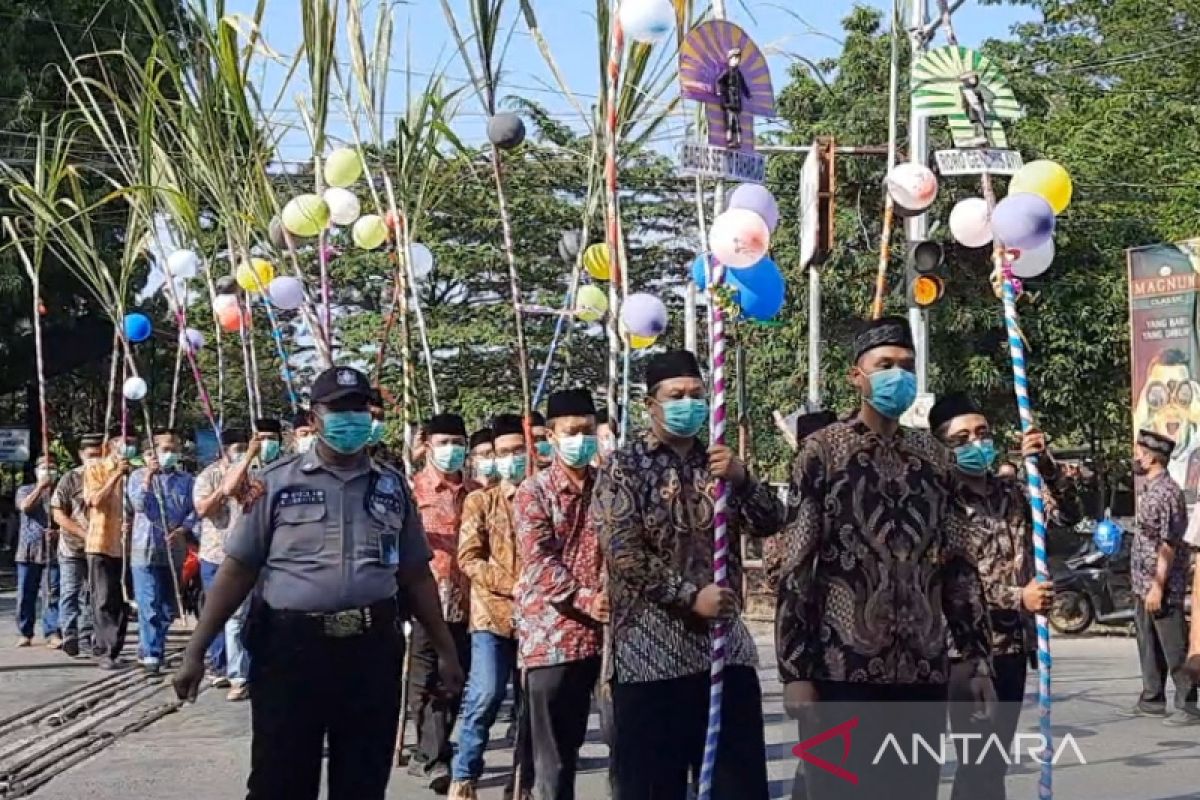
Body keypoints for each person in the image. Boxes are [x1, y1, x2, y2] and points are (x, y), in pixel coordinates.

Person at [172, 365, 464, 800]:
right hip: (291, 649)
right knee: (280, 782)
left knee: (362, 783)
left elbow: (415, 575)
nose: (351, 419)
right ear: (314, 417)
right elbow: (237, 571)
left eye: (358, 408)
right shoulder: (274, 484)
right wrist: (196, 649)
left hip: (371, 651)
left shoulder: (391, 487)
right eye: (338, 409)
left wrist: (446, 652)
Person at [775, 317, 993, 800]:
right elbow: (797, 568)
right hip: (840, 674)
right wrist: (796, 673)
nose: (899, 375)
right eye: (886, 365)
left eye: (907, 366)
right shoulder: (822, 454)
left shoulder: (935, 461)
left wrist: (976, 660)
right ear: (857, 376)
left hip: (922, 672)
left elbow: (959, 567)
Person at [592, 351, 784, 800]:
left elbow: (771, 520)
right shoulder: (624, 467)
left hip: (723, 651)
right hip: (650, 656)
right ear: (651, 404)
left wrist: (742, 478)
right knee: (653, 787)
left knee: (737, 785)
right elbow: (623, 554)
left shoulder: (718, 463)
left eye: (697, 395)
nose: (688, 403)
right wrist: (689, 596)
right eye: (676, 395)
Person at [929, 394, 1081, 799]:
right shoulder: (937, 504)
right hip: (966, 651)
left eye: (982, 433)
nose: (976, 443)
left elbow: (1068, 513)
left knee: (991, 764)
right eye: (962, 438)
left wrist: (1043, 462)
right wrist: (1019, 597)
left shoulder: (1013, 492)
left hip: (1013, 647)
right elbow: (950, 583)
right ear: (944, 448)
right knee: (979, 761)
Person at [514, 389, 608, 800]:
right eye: (571, 432)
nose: (580, 440)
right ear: (550, 437)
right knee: (554, 759)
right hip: (553, 639)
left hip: (611, 637)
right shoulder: (533, 492)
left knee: (627, 748)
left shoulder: (610, 487)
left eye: (587, 431)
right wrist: (587, 599)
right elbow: (538, 562)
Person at [450, 414, 529, 799]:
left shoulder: (543, 497)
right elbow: (468, 558)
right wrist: (513, 585)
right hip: (491, 615)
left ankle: (526, 780)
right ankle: (464, 774)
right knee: (485, 694)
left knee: (535, 704)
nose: (511, 459)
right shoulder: (481, 501)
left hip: (540, 618)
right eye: (503, 453)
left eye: (519, 451)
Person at [408, 413, 476, 793]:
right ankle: (430, 754)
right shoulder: (412, 491)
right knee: (423, 682)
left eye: (457, 443)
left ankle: (435, 751)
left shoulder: (479, 492)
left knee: (454, 681)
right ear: (428, 446)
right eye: (444, 442)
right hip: (424, 601)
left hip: (466, 604)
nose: (452, 451)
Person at [1124, 429, 1198, 723]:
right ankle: (1152, 698)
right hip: (1143, 583)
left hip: (1162, 585)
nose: (1136, 457)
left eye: (1140, 451)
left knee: (1173, 645)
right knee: (1148, 643)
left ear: (1152, 456)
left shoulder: (1167, 492)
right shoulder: (1151, 489)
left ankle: (1188, 703)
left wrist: (1158, 586)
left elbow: (1169, 543)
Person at [194, 427, 258, 698]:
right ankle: (224, 667)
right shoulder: (209, 476)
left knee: (239, 617)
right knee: (220, 614)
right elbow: (202, 509)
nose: (243, 451)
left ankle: (240, 674)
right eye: (237, 447)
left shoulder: (256, 475)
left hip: (248, 555)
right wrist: (224, 487)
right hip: (215, 554)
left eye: (246, 446)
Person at [127, 429, 196, 674]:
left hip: (173, 549)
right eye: (165, 449)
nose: (171, 454)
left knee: (168, 605)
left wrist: (182, 529)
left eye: (174, 449)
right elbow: (138, 504)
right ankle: (151, 653)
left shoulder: (186, 480)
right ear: (152, 452)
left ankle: (155, 643)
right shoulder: (137, 477)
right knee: (149, 603)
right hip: (144, 548)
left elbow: (194, 510)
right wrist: (148, 475)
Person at [84, 433, 137, 670]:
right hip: (101, 542)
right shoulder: (97, 469)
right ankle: (103, 649)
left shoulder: (135, 472)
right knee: (103, 599)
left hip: (126, 545)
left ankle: (115, 648)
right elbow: (94, 500)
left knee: (122, 600)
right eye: (125, 442)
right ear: (112, 445)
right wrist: (115, 475)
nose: (129, 448)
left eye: (133, 443)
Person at [52, 434, 102, 657]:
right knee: (70, 591)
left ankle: (86, 635)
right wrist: (82, 532)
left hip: (99, 546)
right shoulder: (70, 479)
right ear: (81, 455)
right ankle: (69, 633)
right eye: (90, 456)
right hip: (71, 546)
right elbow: (58, 514)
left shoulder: (107, 478)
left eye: (99, 455)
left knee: (92, 593)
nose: (95, 460)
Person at [15, 456, 62, 648]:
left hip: (53, 551)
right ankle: (25, 632)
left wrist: (58, 532)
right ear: (36, 470)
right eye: (44, 467)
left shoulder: (61, 491)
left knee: (52, 593)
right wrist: (40, 488)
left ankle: (52, 632)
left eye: (52, 467)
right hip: (28, 550)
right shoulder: (25, 490)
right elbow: (25, 506)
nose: (48, 471)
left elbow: (69, 516)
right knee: (26, 593)